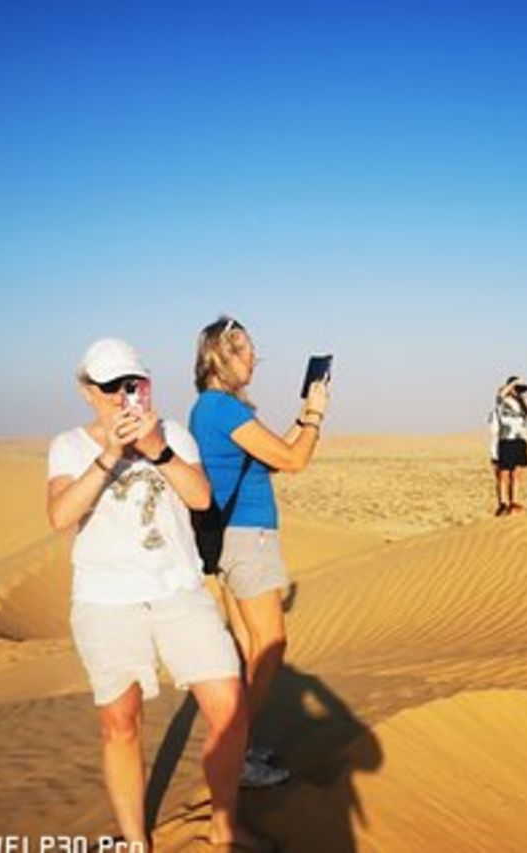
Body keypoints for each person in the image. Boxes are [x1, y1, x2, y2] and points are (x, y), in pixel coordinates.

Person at [46, 338, 267, 851]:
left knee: (229, 708)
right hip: (106, 601)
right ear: (88, 391)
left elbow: (201, 497)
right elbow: (59, 516)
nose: (125, 396)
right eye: (112, 387)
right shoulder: (69, 446)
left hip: (178, 591)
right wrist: (109, 456)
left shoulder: (174, 435)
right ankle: (134, 839)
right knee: (120, 724)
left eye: (135, 384)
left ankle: (224, 826)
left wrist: (156, 450)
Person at [189, 316, 330, 788]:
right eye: (243, 350)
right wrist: (316, 414)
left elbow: (276, 452)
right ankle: (232, 751)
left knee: (249, 648)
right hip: (248, 539)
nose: (253, 360)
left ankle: (238, 746)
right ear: (218, 356)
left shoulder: (214, 409)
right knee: (271, 647)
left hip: (234, 539)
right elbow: (295, 460)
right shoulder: (222, 410)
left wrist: (300, 417)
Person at [491, 375, 527, 515]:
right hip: (506, 440)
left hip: (520, 441)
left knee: (516, 474)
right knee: (504, 474)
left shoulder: (522, 402)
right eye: (516, 387)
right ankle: (503, 504)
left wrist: (522, 397)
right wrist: (513, 384)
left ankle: (514, 502)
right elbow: (501, 394)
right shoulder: (502, 401)